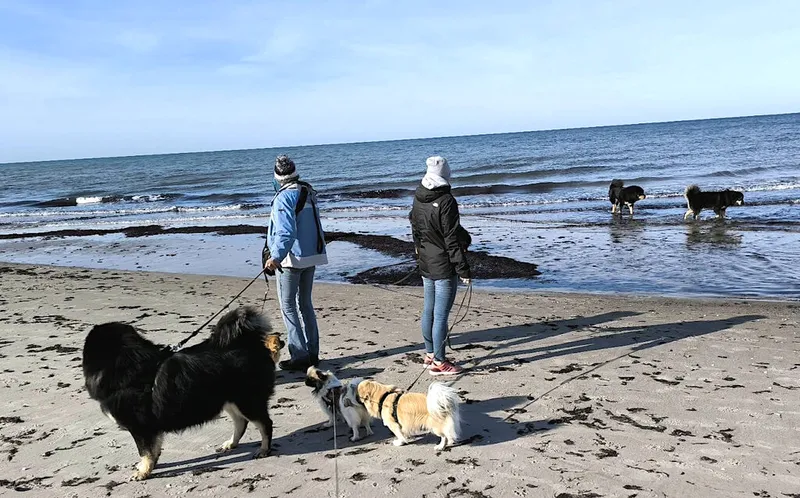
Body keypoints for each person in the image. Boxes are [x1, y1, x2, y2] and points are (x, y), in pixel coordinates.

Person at [409, 156, 471, 376]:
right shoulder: (446, 200)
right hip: (442, 264)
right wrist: (463, 269)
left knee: (430, 309)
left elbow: (415, 227)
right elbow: (451, 238)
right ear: (445, 174)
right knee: (440, 314)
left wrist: (418, 250)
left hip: (426, 260)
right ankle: (439, 361)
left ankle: (430, 355)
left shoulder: (419, 195)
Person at [264, 155, 328, 371]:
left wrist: (275, 257)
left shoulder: (284, 197)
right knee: (305, 304)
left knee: (288, 306)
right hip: (311, 255)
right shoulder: (308, 192)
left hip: (291, 259)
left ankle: (300, 355)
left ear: (277, 177)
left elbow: (286, 232)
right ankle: (312, 353)